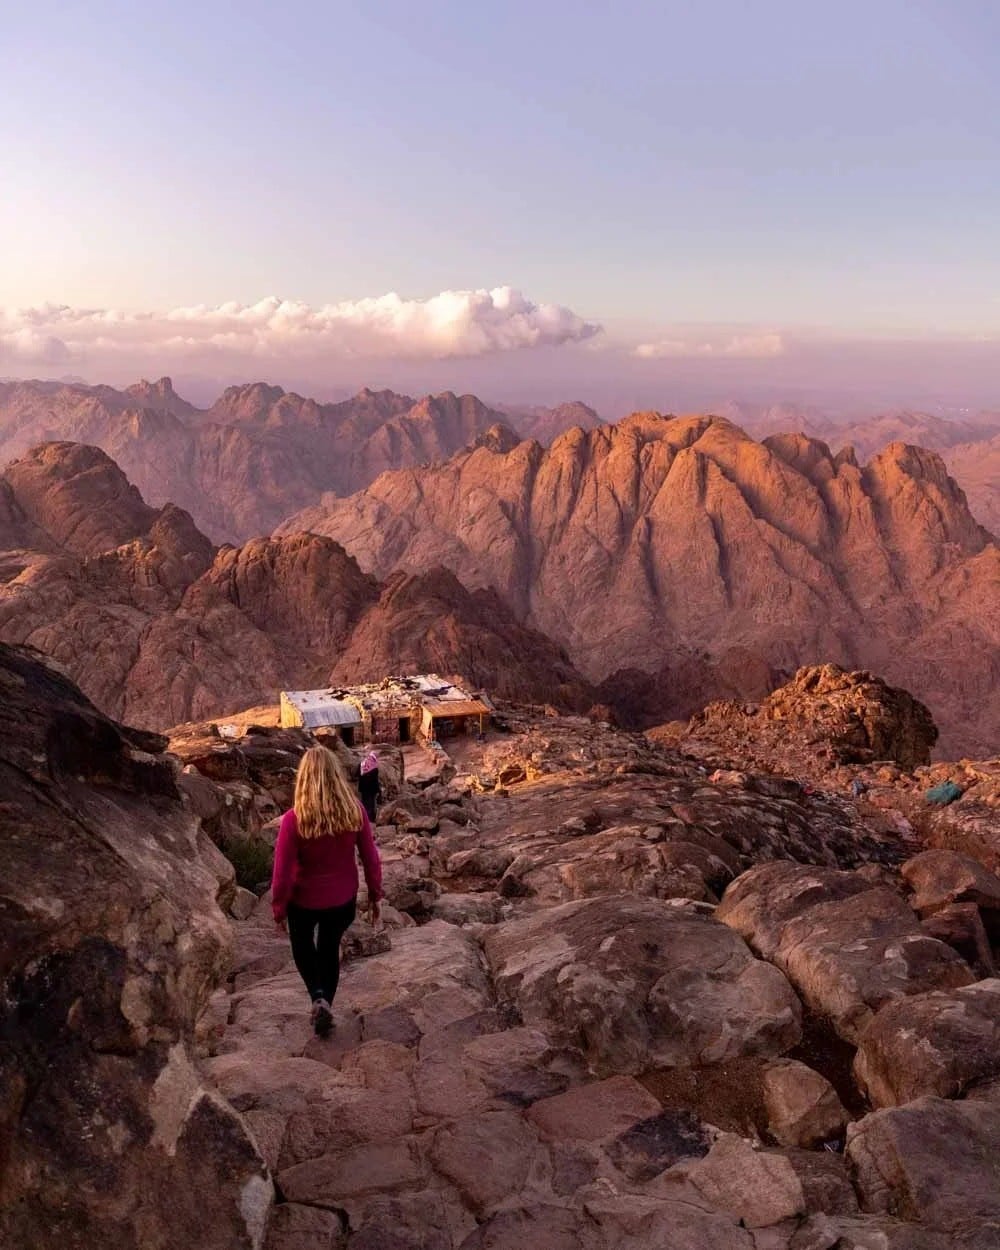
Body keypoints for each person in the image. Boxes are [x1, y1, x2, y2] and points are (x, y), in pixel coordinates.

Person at [271, 745, 383, 1037]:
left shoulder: (294, 820)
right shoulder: (355, 811)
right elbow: (371, 857)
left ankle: (318, 996)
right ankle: (326, 1005)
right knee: (329, 947)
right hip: (342, 899)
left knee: (303, 946)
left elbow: (281, 873)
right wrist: (375, 894)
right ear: (336, 775)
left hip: (304, 901)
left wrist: (278, 908)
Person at [358, 750, 381, 822]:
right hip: (372, 790)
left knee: (364, 803)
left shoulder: (362, 764)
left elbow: (358, 775)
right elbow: (375, 780)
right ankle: (370, 819)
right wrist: (379, 790)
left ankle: (363, 819)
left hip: (363, 789)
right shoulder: (374, 767)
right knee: (371, 804)